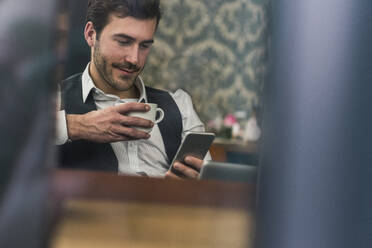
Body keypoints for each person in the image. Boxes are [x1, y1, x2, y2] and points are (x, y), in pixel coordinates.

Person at [56, 0, 211, 179]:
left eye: (144, 46)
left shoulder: (180, 106)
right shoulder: (53, 100)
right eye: (123, 42)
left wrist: (195, 186)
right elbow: (18, 138)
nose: (134, 59)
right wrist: (77, 125)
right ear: (91, 34)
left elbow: (210, 183)